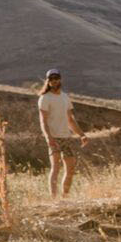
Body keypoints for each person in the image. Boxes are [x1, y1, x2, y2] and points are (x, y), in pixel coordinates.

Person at [37, 69, 84, 197]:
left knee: (70, 168)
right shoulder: (45, 98)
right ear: (48, 81)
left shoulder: (65, 97)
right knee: (56, 168)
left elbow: (70, 120)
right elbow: (43, 121)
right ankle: (53, 198)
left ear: (60, 79)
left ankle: (65, 196)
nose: (54, 81)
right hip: (54, 138)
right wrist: (49, 138)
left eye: (56, 78)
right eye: (51, 79)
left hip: (66, 137)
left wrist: (81, 134)